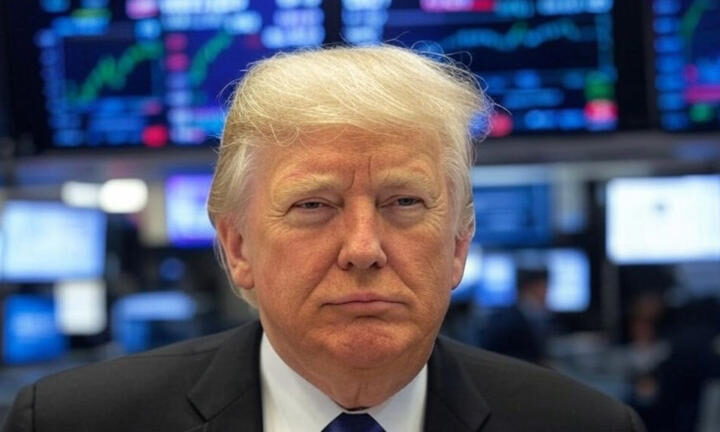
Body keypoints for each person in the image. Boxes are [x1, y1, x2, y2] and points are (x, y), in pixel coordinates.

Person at [2, 45, 645, 432]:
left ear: (457, 244)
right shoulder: (71, 422)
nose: (363, 248)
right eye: (313, 205)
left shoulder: (583, 425)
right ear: (238, 247)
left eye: (404, 202)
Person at [479, 268, 554, 364]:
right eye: (543, 287)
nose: (546, 292)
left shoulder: (528, 314)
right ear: (530, 287)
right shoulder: (509, 320)